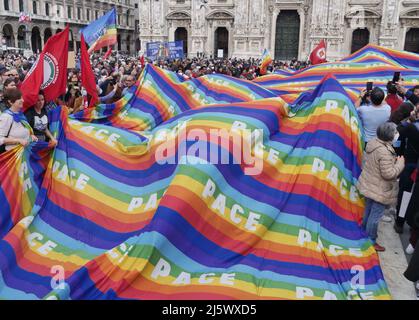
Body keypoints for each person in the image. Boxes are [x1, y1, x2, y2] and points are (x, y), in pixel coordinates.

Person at [356, 122, 405, 251]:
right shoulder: (384, 152)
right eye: (395, 133)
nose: (396, 135)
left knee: (368, 209)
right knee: (375, 216)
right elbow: (388, 174)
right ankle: (371, 239)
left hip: (370, 185)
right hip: (380, 189)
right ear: (389, 136)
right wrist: (400, 164)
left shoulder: (374, 143)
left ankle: (364, 232)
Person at [394, 106, 419, 234]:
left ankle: (400, 221)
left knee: (405, 194)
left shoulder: (410, 127)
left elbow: (397, 139)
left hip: (410, 166)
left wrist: (410, 120)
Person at [0, 88, 38, 152]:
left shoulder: (21, 114)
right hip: (13, 156)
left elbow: (24, 131)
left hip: (25, 154)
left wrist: (31, 136)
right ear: (10, 101)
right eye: (19, 99)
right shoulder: (6, 117)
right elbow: (1, 139)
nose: (23, 100)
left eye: (22, 98)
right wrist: (18, 140)